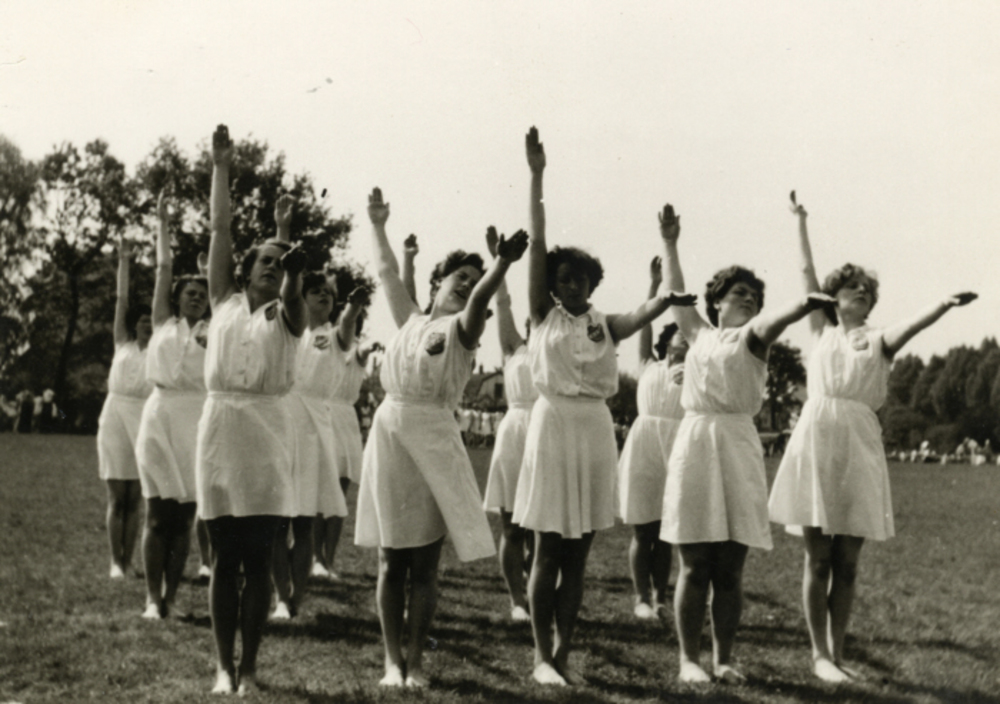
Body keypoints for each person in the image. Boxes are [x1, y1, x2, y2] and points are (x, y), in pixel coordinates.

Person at [512, 127, 696, 686]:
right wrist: (537, 174)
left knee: (578, 556)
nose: (573, 286)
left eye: (582, 279)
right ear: (553, 285)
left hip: (594, 430)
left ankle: (564, 653)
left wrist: (665, 295)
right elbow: (538, 243)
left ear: (593, 285)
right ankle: (541, 656)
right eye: (564, 279)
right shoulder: (542, 314)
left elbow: (643, 314)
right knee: (547, 550)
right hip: (551, 425)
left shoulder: (603, 323)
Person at [767, 196, 977, 682]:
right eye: (851, 287)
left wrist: (944, 304)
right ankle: (819, 655)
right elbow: (806, 272)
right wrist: (801, 222)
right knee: (818, 558)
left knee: (847, 561)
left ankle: (838, 653)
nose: (860, 291)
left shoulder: (880, 338)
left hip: (859, 443)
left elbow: (915, 324)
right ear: (834, 296)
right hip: (818, 438)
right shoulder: (819, 329)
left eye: (867, 289)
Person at [659, 198, 839, 683]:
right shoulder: (697, 334)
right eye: (739, 293)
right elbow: (676, 297)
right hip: (695, 445)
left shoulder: (753, 337)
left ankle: (722, 659)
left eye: (754, 297)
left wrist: (805, 304)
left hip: (738, 446)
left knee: (729, 570)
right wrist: (670, 243)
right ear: (716, 301)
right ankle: (689, 660)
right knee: (694, 565)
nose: (749, 301)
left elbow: (773, 320)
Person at [354, 187, 526, 688]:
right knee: (390, 560)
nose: (467, 285)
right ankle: (392, 661)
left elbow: (481, 300)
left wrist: (500, 267)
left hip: (434, 440)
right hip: (390, 436)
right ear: (438, 282)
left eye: (474, 281)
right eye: (460, 277)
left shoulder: (462, 332)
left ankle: (416, 661)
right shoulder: (409, 320)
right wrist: (378, 224)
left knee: (424, 564)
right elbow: (387, 273)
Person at [196, 125, 307, 695]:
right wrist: (221, 167)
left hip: (267, 435)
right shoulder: (222, 302)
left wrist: (288, 247)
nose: (271, 266)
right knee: (223, 558)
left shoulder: (288, 316)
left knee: (258, 560)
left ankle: (251, 667)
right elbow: (219, 230)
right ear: (245, 269)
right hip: (218, 431)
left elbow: (292, 288)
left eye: (279, 262)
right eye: (262, 259)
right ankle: (223, 665)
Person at [134, 191, 210, 619]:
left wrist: (213, 273)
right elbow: (163, 269)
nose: (196, 297)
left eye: (202, 293)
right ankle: (151, 598)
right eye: (190, 292)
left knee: (184, 517)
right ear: (177, 298)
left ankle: (172, 598)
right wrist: (162, 223)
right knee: (157, 513)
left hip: (196, 422)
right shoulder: (163, 322)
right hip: (160, 415)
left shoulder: (216, 331)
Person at [271, 264, 356, 619]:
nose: (323, 295)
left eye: (328, 293)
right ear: (300, 297)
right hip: (280, 421)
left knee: (303, 521)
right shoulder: (284, 330)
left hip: (314, 428)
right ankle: (280, 597)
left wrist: (353, 307)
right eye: (315, 290)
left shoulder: (335, 336)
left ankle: (296, 598)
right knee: (278, 521)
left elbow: (347, 327)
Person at [617, 256, 689, 620]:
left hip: (677, 448)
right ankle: (641, 597)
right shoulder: (648, 364)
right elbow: (643, 324)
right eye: (679, 333)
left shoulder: (696, 372)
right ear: (667, 341)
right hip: (644, 446)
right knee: (643, 530)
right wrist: (654, 285)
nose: (685, 338)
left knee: (666, 532)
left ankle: (661, 597)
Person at [482, 225, 538, 623]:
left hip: (551, 432)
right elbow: (502, 304)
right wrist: (498, 261)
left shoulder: (565, 352)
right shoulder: (513, 348)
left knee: (544, 527)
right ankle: (517, 600)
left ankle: (538, 591)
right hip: (517, 432)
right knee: (513, 526)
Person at [312, 271, 382, 582]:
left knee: (338, 496)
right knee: (317, 494)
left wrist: (371, 346)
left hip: (344, 422)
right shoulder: (324, 341)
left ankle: (327, 559)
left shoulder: (355, 350)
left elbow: (362, 352)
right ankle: (314, 557)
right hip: (320, 414)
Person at [98, 235, 154, 580]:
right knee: (117, 497)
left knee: (135, 498)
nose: (147, 323)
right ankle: (115, 561)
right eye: (143, 319)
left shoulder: (161, 350)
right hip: (115, 417)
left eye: (152, 319)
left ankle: (129, 560)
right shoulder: (122, 343)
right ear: (134, 324)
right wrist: (124, 261)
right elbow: (121, 300)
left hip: (145, 418)